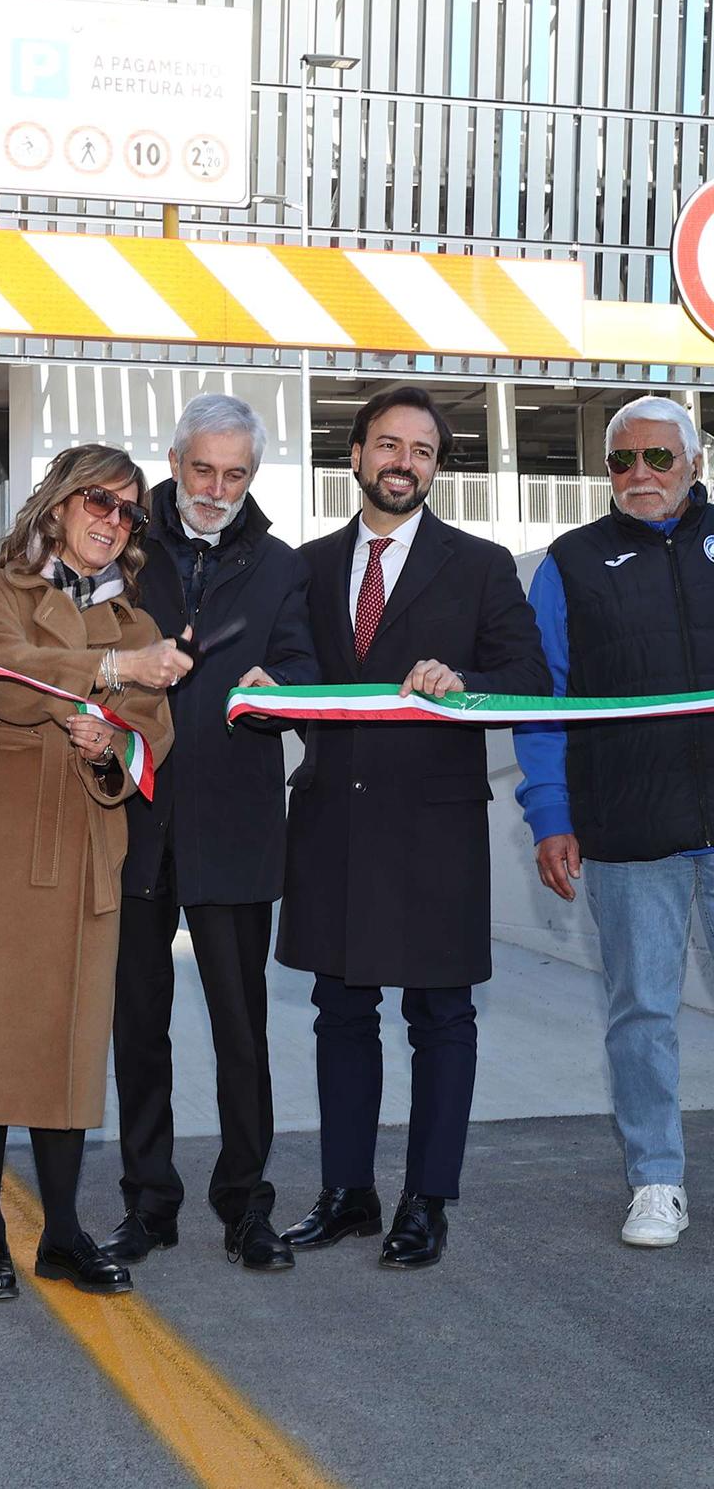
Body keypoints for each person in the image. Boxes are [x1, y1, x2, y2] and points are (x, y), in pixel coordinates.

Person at [0, 447, 179, 1300]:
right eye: (100, 499)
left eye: (129, 512)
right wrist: (109, 677)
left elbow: (154, 733)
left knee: (67, 1043)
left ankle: (62, 1231)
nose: (113, 520)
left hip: (85, 829)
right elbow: (8, 678)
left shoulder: (134, 618)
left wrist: (114, 746)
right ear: (57, 502)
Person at [278, 386, 550, 1270]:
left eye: (422, 450)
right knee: (341, 1014)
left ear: (437, 467)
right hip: (334, 824)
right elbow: (289, 674)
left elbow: (532, 678)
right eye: (388, 444)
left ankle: (427, 1201)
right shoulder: (308, 566)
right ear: (355, 455)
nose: (404, 462)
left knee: (442, 1016)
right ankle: (348, 1193)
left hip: (432, 833)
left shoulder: (479, 565)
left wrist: (464, 679)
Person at [99, 394, 318, 1274]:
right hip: (134, 824)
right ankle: (148, 1204)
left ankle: (246, 1202)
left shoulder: (281, 567)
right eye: (202, 469)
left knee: (241, 1028)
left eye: (235, 474)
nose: (216, 488)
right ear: (174, 458)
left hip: (233, 828)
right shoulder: (123, 543)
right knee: (137, 1026)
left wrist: (279, 685)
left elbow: (302, 670)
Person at [515, 395, 714, 1249]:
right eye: (622, 460)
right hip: (631, 828)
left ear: (694, 465)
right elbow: (542, 698)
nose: (639, 475)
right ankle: (656, 1178)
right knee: (641, 1011)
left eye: (658, 459)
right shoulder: (569, 562)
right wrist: (552, 813)